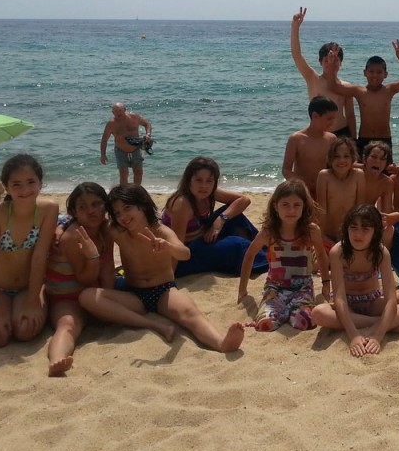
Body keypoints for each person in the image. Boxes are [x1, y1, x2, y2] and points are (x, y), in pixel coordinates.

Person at [79, 185, 245, 352]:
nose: (123, 216)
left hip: (163, 291)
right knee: (87, 296)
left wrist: (168, 247)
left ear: (142, 205)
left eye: (127, 208)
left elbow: (185, 253)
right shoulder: (116, 231)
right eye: (117, 213)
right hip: (133, 293)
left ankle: (221, 343)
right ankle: (152, 324)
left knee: (189, 313)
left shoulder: (161, 231)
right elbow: (90, 223)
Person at [313, 204, 399, 356]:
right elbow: (339, 299)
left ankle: (381, 324)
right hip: (347, 306)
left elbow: (390, 299)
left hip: (373, 301)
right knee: (318, 313)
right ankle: (390, 324)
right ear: (346, 229)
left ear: (375, 232)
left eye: (366, 229)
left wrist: (377, 336)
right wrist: (354, 336)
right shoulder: (338, 252)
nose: (358, 234)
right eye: (353, 227)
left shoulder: (381, 253)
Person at [0, 154, 58, 349]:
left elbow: (39, 258)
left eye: (31, 182)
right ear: (6, 186)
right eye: (16, 184)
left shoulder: (49, 209)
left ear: (40, 183)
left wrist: (32, 300)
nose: (25, 190)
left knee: (25, 331)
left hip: (28, 287)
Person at [237, 179, 330, 330]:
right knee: (266, 325)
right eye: (285, 205)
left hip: (302, 288)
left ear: (304, 206)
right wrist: (242, 290)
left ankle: (291, 312)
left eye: (296, 205)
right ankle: (280, 312)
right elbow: (249, 255)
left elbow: (321, 255)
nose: (291, 210)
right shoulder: (269, 232)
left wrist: (326, 285)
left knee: (304, 322)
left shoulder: (311, 231)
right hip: (275, 289)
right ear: (276, 206)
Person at [46, 182, 113, 376]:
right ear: (74, 212)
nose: (91, 211)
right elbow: (84, 278)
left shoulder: (105, 229)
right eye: (83, 207)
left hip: (92, 292)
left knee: (134, 304)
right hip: (65, 297)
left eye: (97, 204)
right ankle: (57, 359)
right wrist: (92, 258)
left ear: (106, 206)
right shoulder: (72, 237)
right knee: (68, 324)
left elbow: (108, 267)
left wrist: (108, 297)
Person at [162, 156, 266, 277]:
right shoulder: (182, 203)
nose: (204, 186)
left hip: (204, 236)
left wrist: (220, 220)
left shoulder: (210, 193)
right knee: (238, 244)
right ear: (189, 180)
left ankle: (265, 250)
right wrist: (169, 278)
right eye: (199, 180)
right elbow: (177, 244)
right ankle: (262, 260)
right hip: (187, 253)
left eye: (209, 181)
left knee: (236, 218)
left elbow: (244, 200)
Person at [328, 41, 399, 158]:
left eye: (379, 72)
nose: (375, 75)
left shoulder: (389, 90)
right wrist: (331, 64)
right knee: (363, 169)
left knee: (385, 169)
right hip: (365, 139)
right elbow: (333, 86)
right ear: (365, 73)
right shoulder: (359, 91)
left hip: (384, 139)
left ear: (386, 74)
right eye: (371, 71)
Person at [290, 6, 356, 138]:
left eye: (336, 60)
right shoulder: (313, 79)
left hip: (342, 133)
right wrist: (295, 27)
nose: (331, 62)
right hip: (320, 135)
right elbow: (297, 55)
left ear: (341, 63)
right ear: (320, 62)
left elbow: (350, 115)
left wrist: (355, 140)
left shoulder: (346, 86)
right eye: (327, 60)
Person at [282, 96, 339, 197]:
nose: (332, 122)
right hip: (302, 191)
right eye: (329, 119)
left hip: (323, 190)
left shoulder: (332, 139)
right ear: (315, 116)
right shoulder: (296, 139)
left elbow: (339, 164)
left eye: (334, 119)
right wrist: (302, 185)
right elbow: (286, 170)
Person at [316, 138, 366, 250]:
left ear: (353, 158)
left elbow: (360, 210)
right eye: (336, 156)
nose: (341, 160)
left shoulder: (358, 175)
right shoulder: (324, 176)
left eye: (346, 156)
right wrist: (321, 237)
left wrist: (356, 236)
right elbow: (322, 211)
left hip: (350, 235)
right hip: (328, 235)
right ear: (330, 159)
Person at [99, 102, 152, 186]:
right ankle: (124, 191)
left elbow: (147, 124)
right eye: (116, 112)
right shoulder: (111, 124)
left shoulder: (134, 117)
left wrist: (148, 134)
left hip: (136, 148)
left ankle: (136, 190)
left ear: (124, 110)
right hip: (121, 150)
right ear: (113, 113)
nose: (118, 113)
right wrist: (103, 154)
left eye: (120, 111)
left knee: (138, 172)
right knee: (123, 173)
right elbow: (104, 140)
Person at [361, 141, 395, 212]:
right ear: (364, 158)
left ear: (386, 164)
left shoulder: (387, 183)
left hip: (366, 215)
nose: (377, 161)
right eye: (373, 157)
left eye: (382, 159)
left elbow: (386, 212)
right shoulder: (354, 173)